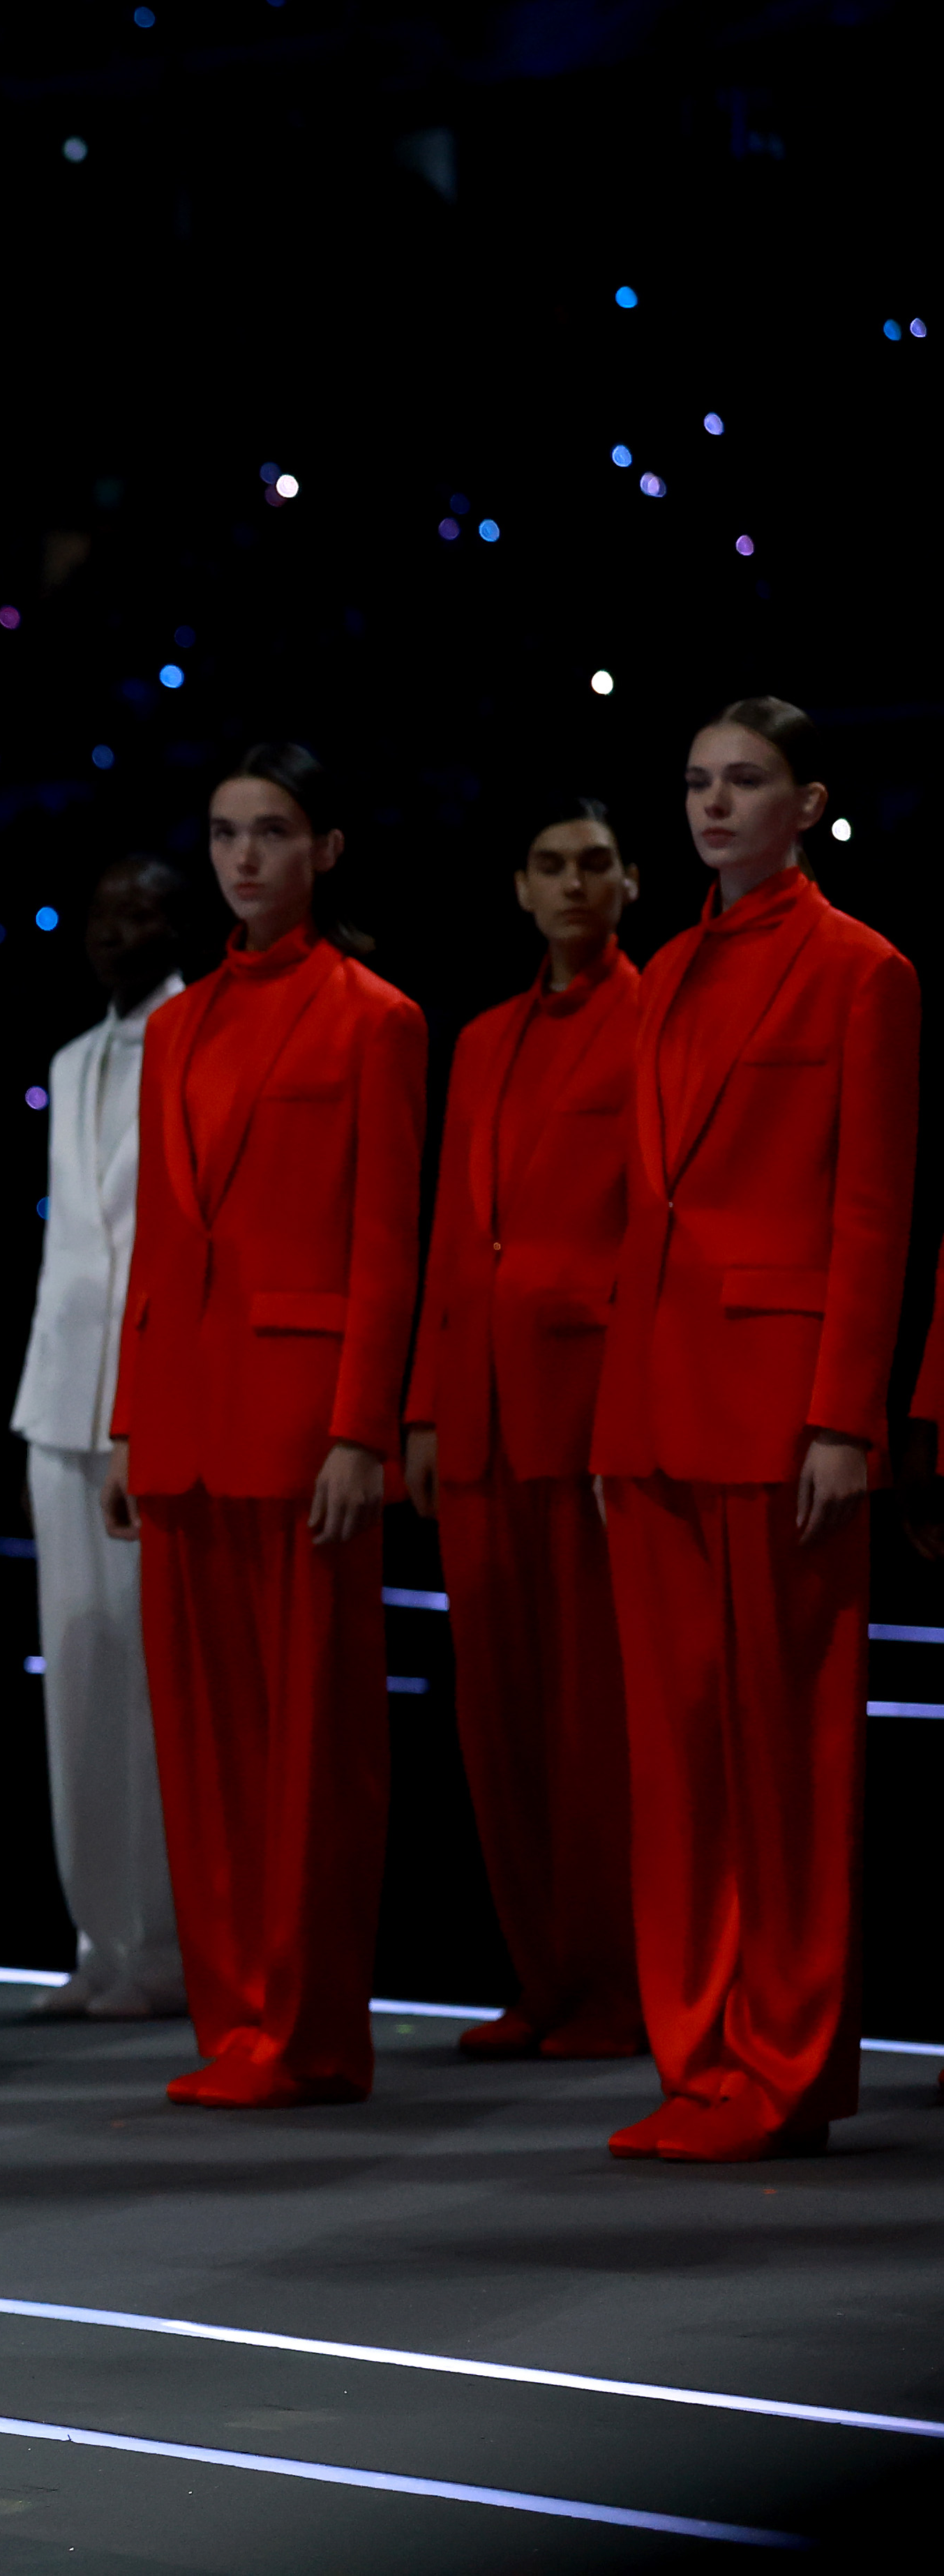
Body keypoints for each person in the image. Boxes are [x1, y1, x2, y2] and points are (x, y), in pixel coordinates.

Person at [592, 699, 917, 2162]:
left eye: (744, 784)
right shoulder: (655, 971)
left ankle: (781, 2061)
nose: (713, 807)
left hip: (782, 1411)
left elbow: (871, 1213)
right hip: (657, 1406)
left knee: (787, 1756)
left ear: (807, 803)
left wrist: (844, 1417)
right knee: (675, 1754)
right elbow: (636, 1214)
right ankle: (699, 2045)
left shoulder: (862, 973)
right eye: (696, 785)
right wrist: (611, 1416)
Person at [102, 745, 426, 2109]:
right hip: (181, 1414)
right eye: (228, 833)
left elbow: (383, 1242)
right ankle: (233, 2015)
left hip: (300, 1424)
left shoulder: (374, 1017)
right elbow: (154, 1241)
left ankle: (308, 2030)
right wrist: (124, 1419)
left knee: (309, 1750)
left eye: (273, 833)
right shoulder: (171, 1027)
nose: (243, 858)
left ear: (325, 850)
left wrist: (361, 1427)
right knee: (204, 1744)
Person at [398, 805, 645, 2061]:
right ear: (517, 887)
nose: (570, 885)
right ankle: (544, 1973)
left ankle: (616, 1981)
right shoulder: (483, 1039)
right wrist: (424, 1407)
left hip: (591, 1407)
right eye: (550, 866)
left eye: (592, 864)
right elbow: (452, 1230)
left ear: (628, 882)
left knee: (598, 1724)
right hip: (484, 1413)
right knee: (498, 1724)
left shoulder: (655, 1019)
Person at [7, 860, 192, 2020]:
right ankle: (101, 1934)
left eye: (137, 912)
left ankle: (170, 1940)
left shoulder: (195, 1033)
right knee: (77, 1675)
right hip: (54, 1395)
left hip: (146, 1398)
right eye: (98, 910)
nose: (113, 931)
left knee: (150, 1673)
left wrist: (145, 1402)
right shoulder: (72, 1059)